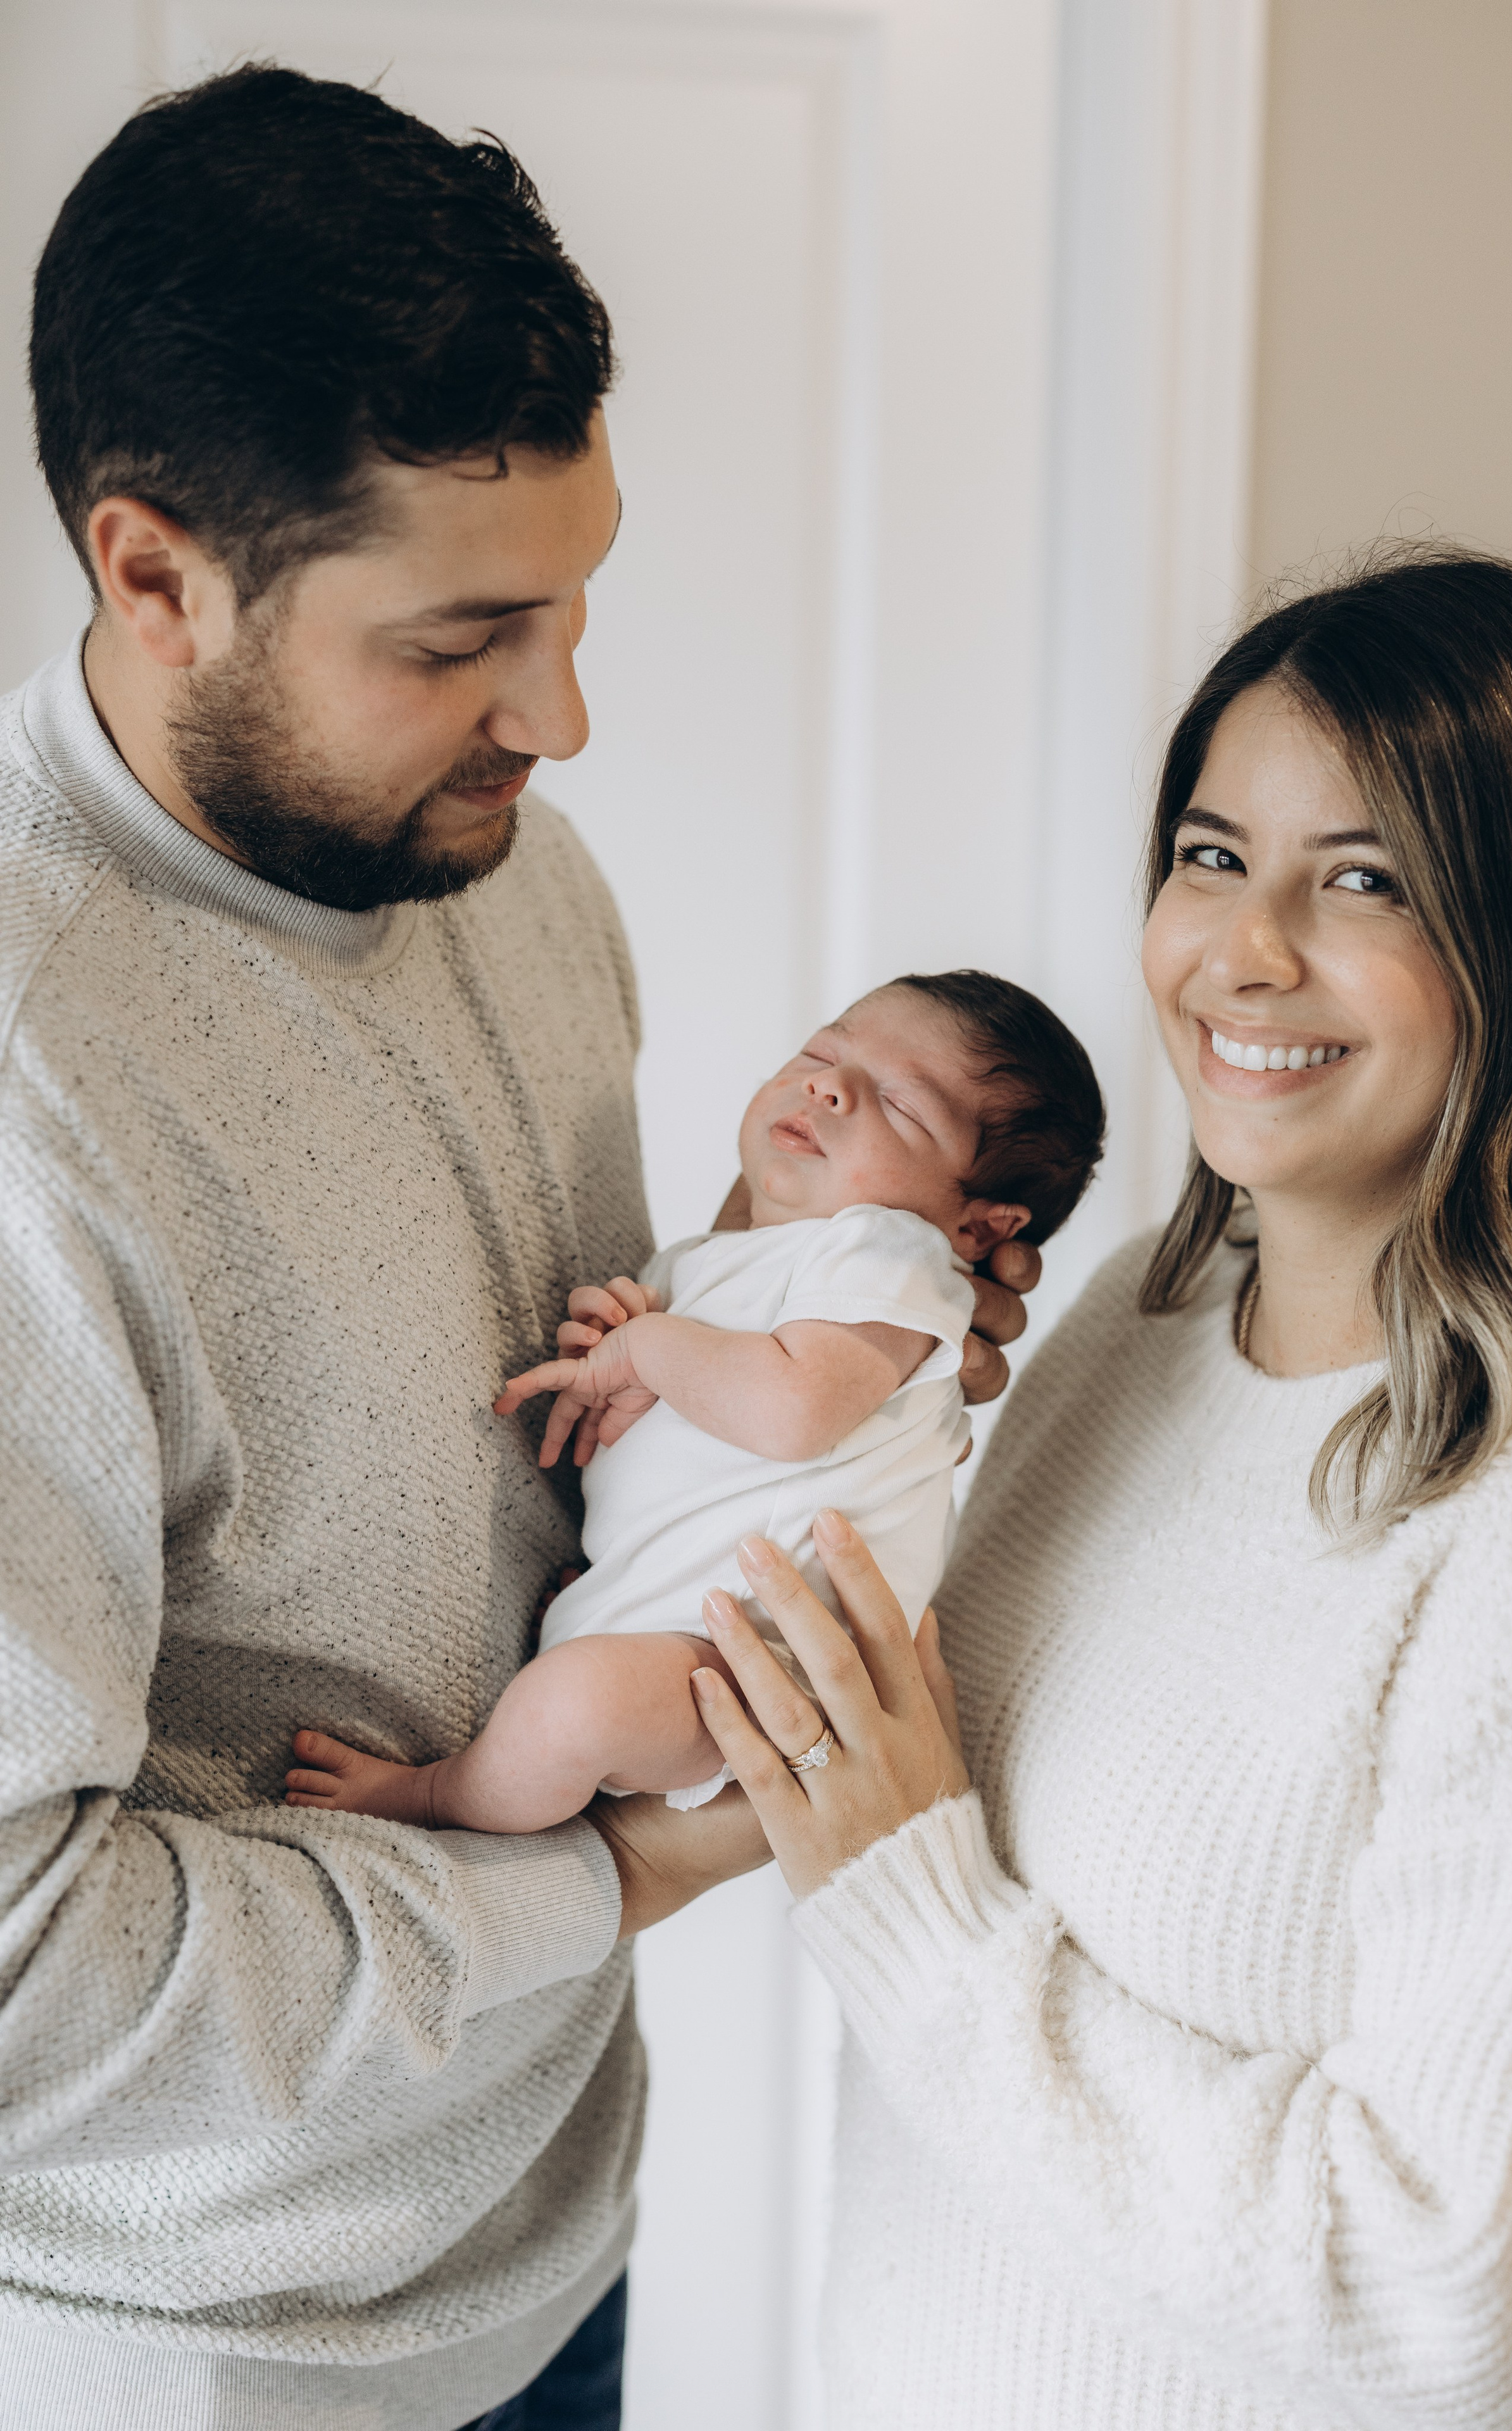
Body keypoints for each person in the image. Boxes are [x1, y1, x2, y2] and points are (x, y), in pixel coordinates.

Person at [0, 64, 1035, 2431]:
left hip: (554, 2226)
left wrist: (828, 1317)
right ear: (156, 577)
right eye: (465, 637)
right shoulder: (28, 1087)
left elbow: (513, 1422)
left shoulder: (502, 866)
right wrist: (616, 1882)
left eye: (575, 606)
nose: (559, 717)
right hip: (214, 2356)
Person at [688, 551, 1512, 2430]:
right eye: (1211, 855)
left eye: (1364, 880)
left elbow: (1445, 2304)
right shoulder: (1138, 1317)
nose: (1243, 951)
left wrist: (915, 1911)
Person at [282, 972, 1103, 1829]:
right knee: (575, 1694)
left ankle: (438, 1795)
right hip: (680, 1623)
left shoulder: (892, 1252)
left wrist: (645, 1348)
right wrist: (617, 1336)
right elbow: (694, 1411)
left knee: (571, 1709)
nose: (828, 1086)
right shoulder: (704, 1261)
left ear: (979, 1227)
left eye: (901, 1105)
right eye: (821, 1052)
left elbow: (789, 1410)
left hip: (764, 1666)